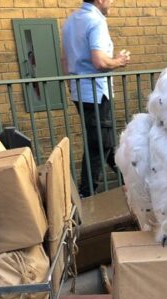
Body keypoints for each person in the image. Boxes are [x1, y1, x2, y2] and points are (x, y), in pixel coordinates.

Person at [61, 0, 130, 197]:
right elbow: (99, 61)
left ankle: (130, 176)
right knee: (101, 143)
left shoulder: (70, 21)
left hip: (79, 91)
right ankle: (86, 193)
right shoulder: (96, 21)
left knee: (101, 139)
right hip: (97, 92)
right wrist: (119, 61)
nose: (113, 2)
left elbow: (65, 60)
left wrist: (72, 86)